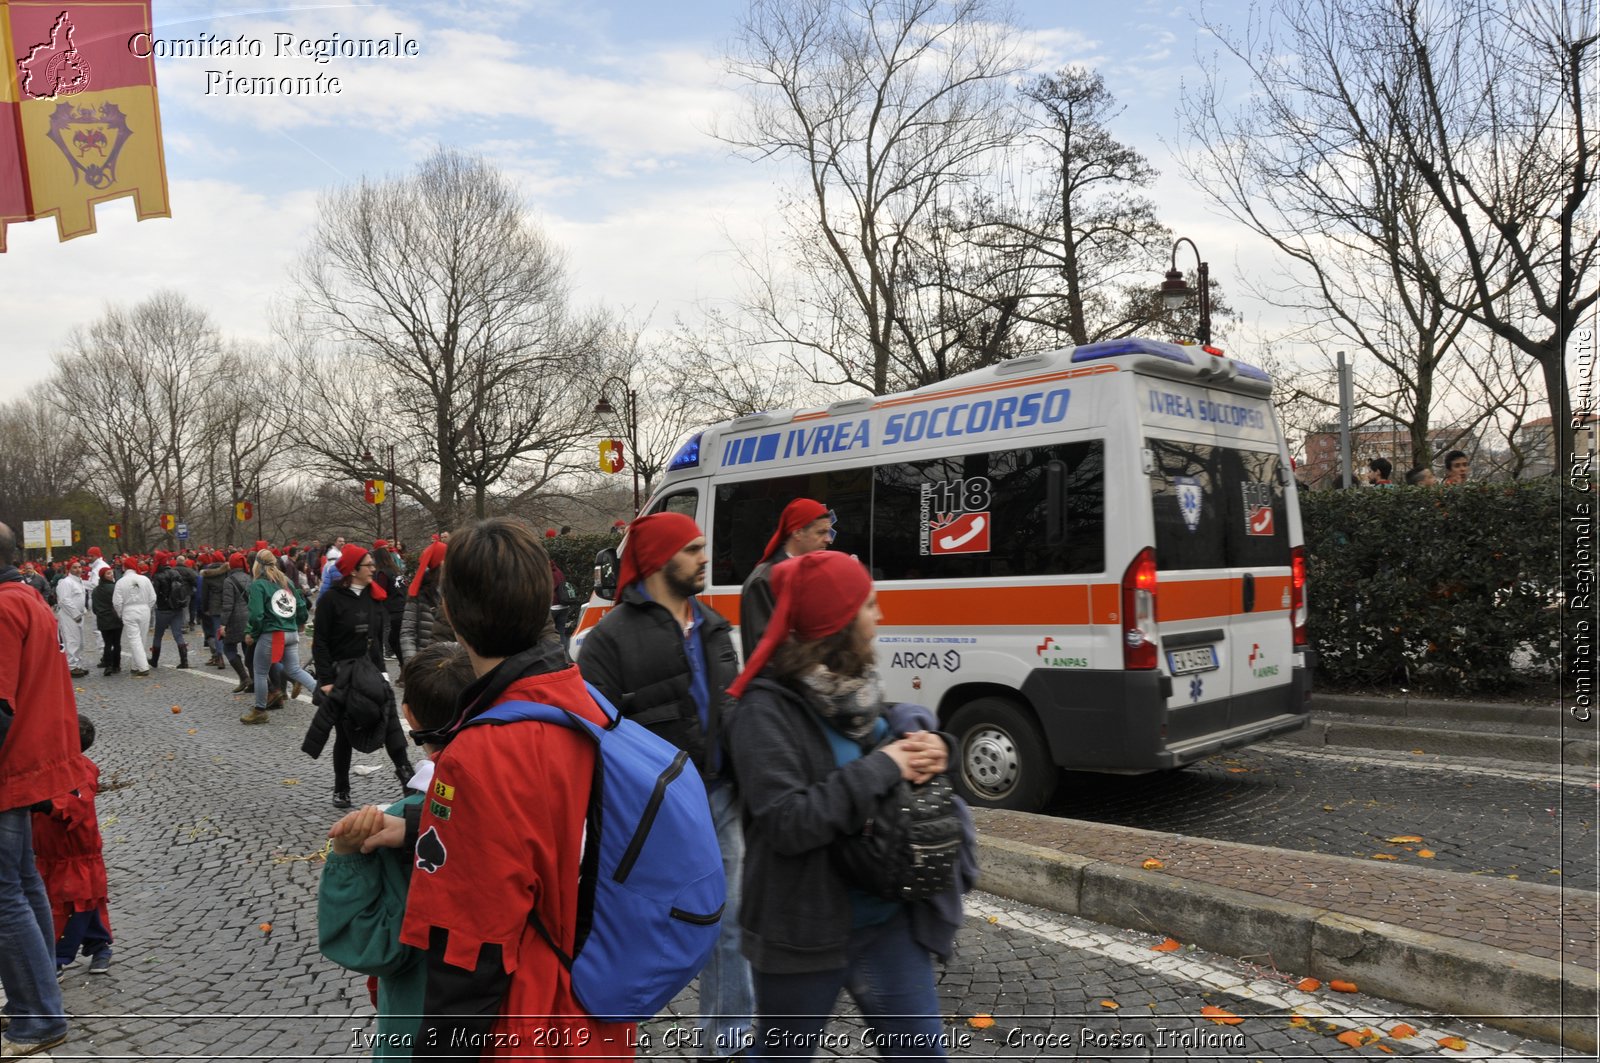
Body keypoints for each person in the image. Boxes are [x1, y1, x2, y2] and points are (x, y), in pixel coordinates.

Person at [380, 517, 634, 1056]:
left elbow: (468, 948)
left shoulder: (477, 756)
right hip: (601, 1013)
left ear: (448, 611)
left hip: (531, 1021)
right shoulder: (589, 703)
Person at [725, 550, 971, 1061]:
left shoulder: (853, 685)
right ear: (836, 623)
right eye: (871, 605)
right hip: (803, 929)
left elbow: (891, 723)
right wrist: (887, 765)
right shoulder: (762, 710)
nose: (881, 616)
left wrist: (936, 744)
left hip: (887, 920)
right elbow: (787, 822)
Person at [577, 513, 752, 1057]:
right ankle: (606, 1027)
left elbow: (733, 706)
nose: (705, 557)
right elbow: (596, 734)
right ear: (658, 560)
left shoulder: (716, 625)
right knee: (641, 924)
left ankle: (728, 1042)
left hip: (721, 799)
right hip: (658, 813)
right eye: (693, 549)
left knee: (730, 921)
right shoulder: (608, 640)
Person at [318, 641, 476, 1059]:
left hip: (419, 1023)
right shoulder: (530, 798)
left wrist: (348, 856)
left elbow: (374, 945)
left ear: (410, 719)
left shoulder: (401, 820)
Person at [0, 520, 77, 1057]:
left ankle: (37, 1017)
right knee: (23, 884)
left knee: (7, 895)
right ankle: (38, 997)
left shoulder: (3, 606)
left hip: (11, 764)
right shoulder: (27, 598)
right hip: (30, 760)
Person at [307, 545, 411, 809]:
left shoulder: (373, 598)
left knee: (390, 724)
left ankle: (407, 777)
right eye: (368, 565)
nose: (373, 569)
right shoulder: (330, 600)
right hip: (342, 673)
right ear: (353, 570)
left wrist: (384, 673)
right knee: (344, 733)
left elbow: (374, 640)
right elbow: (320, 642)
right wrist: (327, 679)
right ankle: (341, 788)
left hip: (370, 670)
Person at [31, 715, 113, 976]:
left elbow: (79, 800)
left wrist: (47, 804)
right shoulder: (46, 765)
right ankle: (99, 944)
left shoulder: (83, 769)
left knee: (71, 905)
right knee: (82, 902)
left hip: (75, 853)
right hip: (50, 852)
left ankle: (58, 957)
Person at [739, 499, 832, 660]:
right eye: (820, 532)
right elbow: (767, 653)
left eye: (828, 532)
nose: (828, 539)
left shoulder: (816, 573)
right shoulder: (764, 580)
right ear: (797, 532)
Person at [242, 549, 318, 726]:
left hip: (274, 633)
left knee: (260, 671)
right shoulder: (287, 581)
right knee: (294, 670)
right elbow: (301, 606)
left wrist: (252, 633)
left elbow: (256, 615)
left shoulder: (258, 585)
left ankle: (260, 711)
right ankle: (321, 694)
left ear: (257, 565)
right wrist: (297, 622)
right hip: (291, 632)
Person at [398, 540, 453, 662]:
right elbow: (408, 633)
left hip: (453, 662)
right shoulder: (419, 592)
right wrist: (412, 664)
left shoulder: (456, 591)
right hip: (425, 662)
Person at [216, 552, 254, 694]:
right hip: (249, 618)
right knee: (247, 649)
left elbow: (228, 605)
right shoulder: (250, 578)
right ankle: (254, 682)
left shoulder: (229, 581)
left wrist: (223, 624)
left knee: (228, 648)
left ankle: (244, 678)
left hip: (234, 620)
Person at [111, 558, 156, 678]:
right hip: (144, 609)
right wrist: (148, 608)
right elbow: (153, 597)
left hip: (129, 610)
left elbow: (116, 602)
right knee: (142, 638)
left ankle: (142, 666)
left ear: (124, 568)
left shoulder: (120, 582)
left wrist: (121, 613)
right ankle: (135, 665)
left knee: (134, 639)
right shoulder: (145, 579)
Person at [148, 551, 191, 669]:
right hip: (177, 608)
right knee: (178, 634)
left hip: (163, 609)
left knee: (158, 635)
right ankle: (184, 661)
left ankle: (154, 660)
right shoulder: (175, 572)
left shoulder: (157, 575)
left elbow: (154, 593)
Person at [369, 542, 407, 668]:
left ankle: (405, 667)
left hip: (393, 610)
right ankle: (404, 667)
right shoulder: (396, 570)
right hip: (403, 605)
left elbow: (380, 592)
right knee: (398, 640)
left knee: (394, 640)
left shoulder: (382, 573)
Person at [53, 560, 90, 678]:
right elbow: (64, 600)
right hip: (69, 616)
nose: (78, 569)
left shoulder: (79, 582)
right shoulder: (66, 582)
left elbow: (80, 598)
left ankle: (78, 664)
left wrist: (83, 610)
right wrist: (75, 614)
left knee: (80, 642)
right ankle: (72, 666)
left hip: (78, 615)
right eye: (75, 567)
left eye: (79, 567)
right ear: (69, 569)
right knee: (72, 640)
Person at [198, 552, 231, 669]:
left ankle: (219, 657)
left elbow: (204, 594)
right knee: (231, 631)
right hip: (228, 604)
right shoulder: (228, 572)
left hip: (214, 606)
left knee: (218, 633)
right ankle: (233, 655)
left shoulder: (207, 575)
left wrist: (205, 608)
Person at [91, 568, 122, 676]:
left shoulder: (95, 591)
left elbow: (94, 608)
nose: (111, 575)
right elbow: (119, 603)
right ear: (103, 576)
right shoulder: (115, 588)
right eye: (108, 573)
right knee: (116, 643)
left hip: (102, 619)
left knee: (107, 643)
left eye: (111, 573)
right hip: (115, 618)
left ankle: (108, 665)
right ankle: (116, 665)